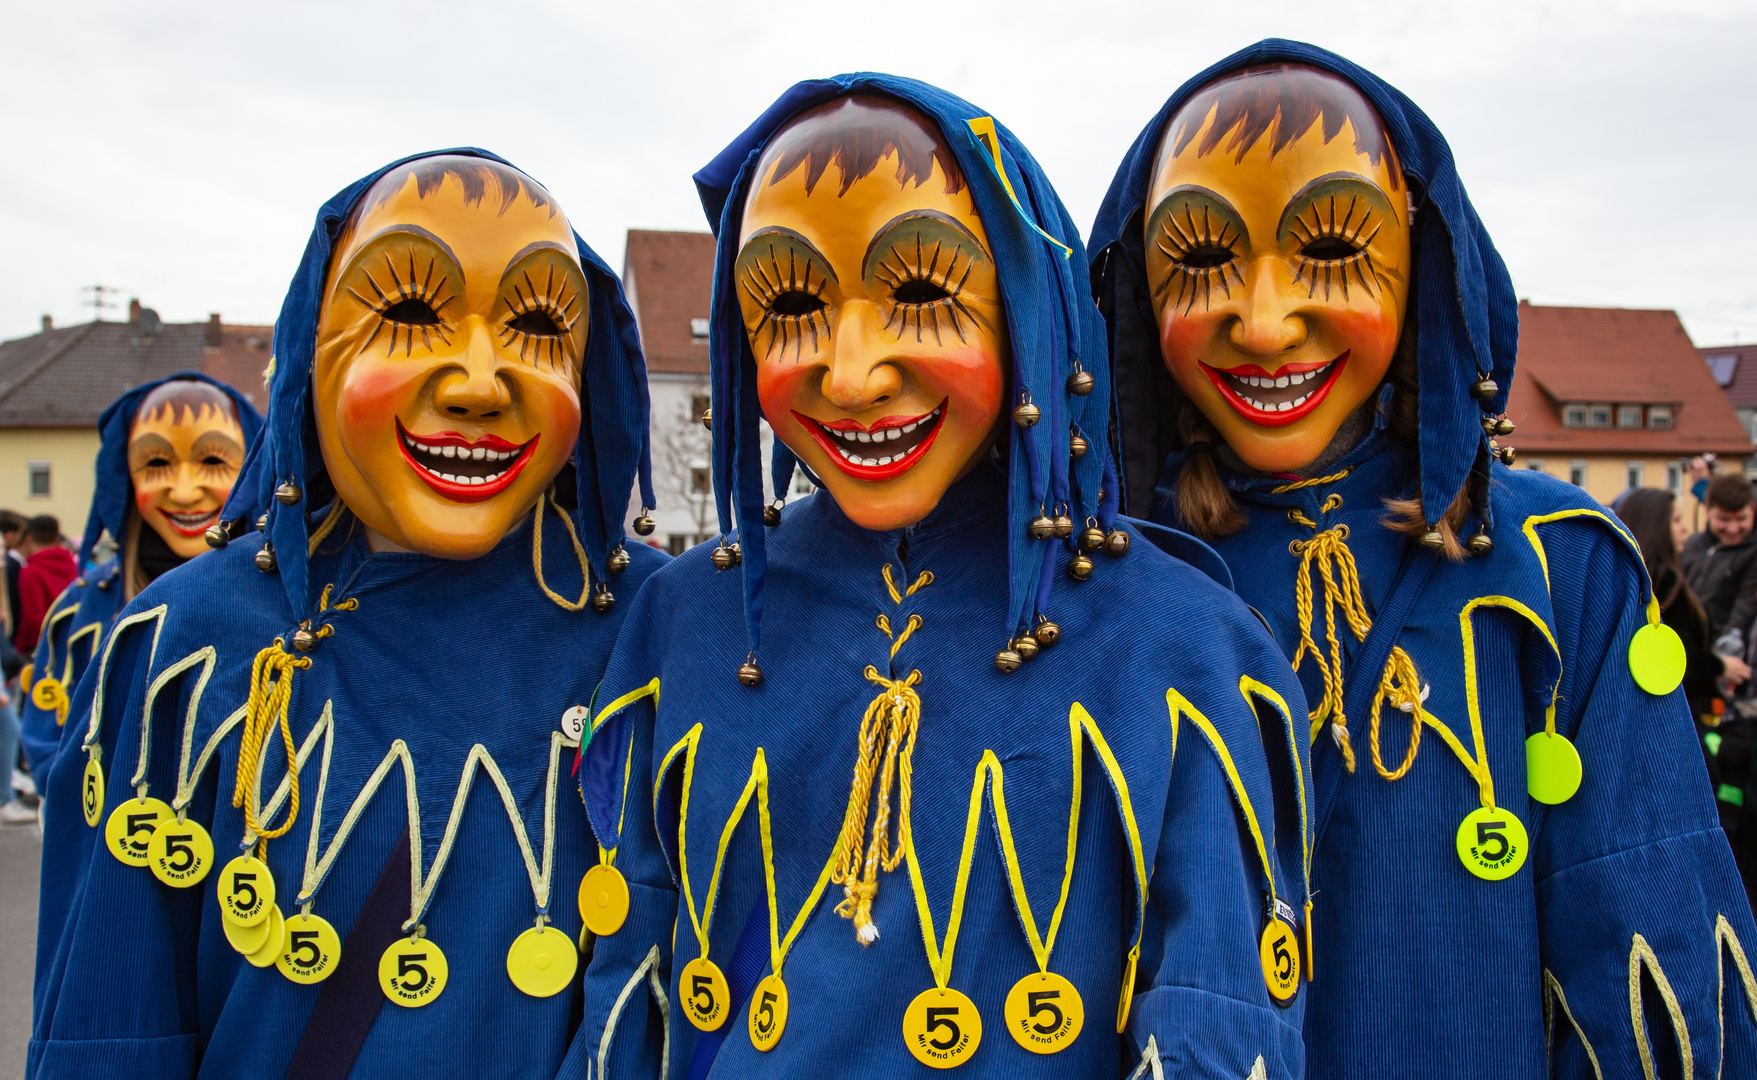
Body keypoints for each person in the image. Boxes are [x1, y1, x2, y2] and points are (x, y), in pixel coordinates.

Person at [574, 80, 1311, 1080]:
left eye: (919, 296)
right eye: (790, 305)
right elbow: (628, 990)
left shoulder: (1180, 646)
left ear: (1026, 308)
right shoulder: (687, 620)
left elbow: (1215, 1028)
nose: (848, 372)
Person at [1090, 40, 1757, 1077]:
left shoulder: (1557, 572)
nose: (1263, 321)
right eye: (1203, 260)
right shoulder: (1106, 583)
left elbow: (1645, 940)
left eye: (1328, 249)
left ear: (1421, 267)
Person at [30, 150, 665, 1079]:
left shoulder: (654, 624)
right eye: (408, 313)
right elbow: (108, 1018)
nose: (480, 382)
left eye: (534, 325)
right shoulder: (184, 639)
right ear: (314, 340)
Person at [19, 374, 262, 788]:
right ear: (124, 476)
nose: (184, 492)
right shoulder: (79, 613)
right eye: (156, 463)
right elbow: (47, 746)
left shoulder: (294, 604)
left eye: (213, 461)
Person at [1682, 472, 1757, 646]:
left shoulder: (1753, 552)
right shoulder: (1692, 545)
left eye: (1741, 519)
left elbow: (1744, 607)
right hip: (1689, 647)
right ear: (1707, 510)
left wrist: (1723, 651)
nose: (1733, 528)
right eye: (1723, 519)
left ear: (1752, 510)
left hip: (1728, 651)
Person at [13, 516, 75, 655]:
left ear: (28, 538)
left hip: (41, 647)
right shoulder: (72, 565)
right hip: (70, 640)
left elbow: (33, 618)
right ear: (56, 538)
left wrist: (20, 646)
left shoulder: (31, 572)